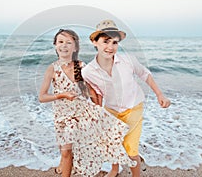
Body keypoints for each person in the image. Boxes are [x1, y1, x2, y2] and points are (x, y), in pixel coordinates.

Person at [39, 29, 136, 177]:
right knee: (65, 149)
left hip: (81, 112)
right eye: (60, 42)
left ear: (75, 47)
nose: (64, 46)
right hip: (62, 116)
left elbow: (91, 89)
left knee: (105, 136)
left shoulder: (80, 66)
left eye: (68, 42)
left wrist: (98, 108)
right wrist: (62, 95)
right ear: (55, 45)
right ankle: (64, 163)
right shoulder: (52, 69)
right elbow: (42, 97)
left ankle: (114, 169)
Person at [81, 19, 171, 177]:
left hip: (133, 108)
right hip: (111, 110)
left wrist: (159, 94)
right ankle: (114, 170)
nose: (110, 47)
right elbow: (97, 94)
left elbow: (145, 74)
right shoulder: (88, 71)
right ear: (95, 42)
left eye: (114, 42)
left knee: (131, 149)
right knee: (112, 144)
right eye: (105, 41)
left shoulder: (128, 60)